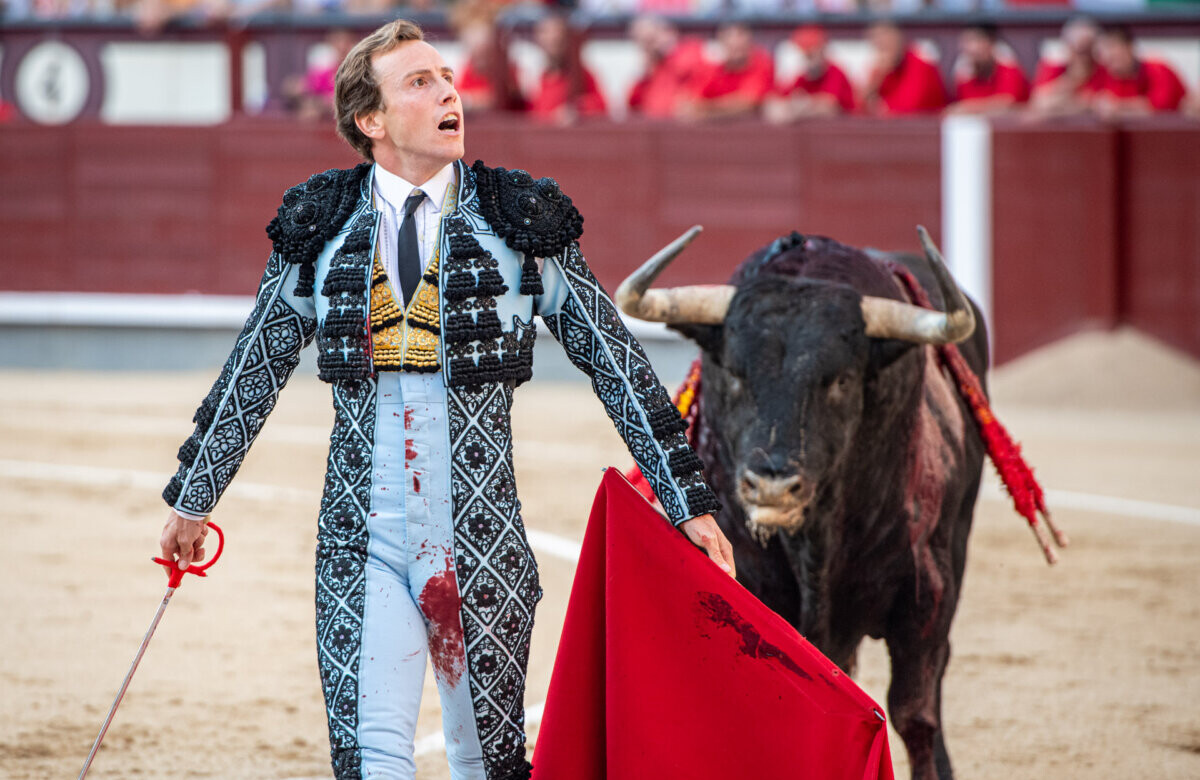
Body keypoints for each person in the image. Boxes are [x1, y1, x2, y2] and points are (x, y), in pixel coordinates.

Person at [156, 18, 734, 780]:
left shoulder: (521, 221)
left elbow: (615, 362)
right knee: (369, 761)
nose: (448, 93)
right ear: (372, 119)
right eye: (419, 82)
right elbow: (253, 368)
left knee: (487, 764)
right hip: (359, 540)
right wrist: (193, 497)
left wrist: (686, 499)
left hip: (483, 542)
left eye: (448, 78)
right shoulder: (319, 226)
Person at [679, 21, 776, 121]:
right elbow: (688, 105)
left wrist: (705, 112)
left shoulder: (761, 62)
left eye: (740, 46)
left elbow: (747, 103)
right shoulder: (712, 68)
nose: (736, 44)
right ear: (721, 44)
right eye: (732, 46)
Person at [528, 12, 608, 123]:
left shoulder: (581, 74)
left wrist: (578, 109)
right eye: (545, 34)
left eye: (558, 36)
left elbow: (601, 105)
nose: (552, 38)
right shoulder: (540, 77)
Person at [764, 25, 855, 122]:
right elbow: (775, 100)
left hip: (851, 130)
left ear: (823, 50)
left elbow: (828, 106)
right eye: (805, 54)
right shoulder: (804, 77)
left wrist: (801, 106)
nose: (808, 58)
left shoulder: (835, 72)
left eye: (811, 53)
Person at [1091, 25, 1187, 117]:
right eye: (1102, 50)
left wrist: (1118, 107)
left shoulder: (1158, 70)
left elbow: (1160, 108)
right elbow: (1085, 100)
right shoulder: (1104, 75)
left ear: (1129, 46)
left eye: (1111, 46)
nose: (1108, 55)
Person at [626, 15, 706, 119]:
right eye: (642, 43)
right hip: (656, 127)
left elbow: (688, 67)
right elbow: (633, 104)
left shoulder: (689, 49)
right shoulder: (652, 70)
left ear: (668, 32)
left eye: (650, 40)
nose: (648, 48)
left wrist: (668, 51)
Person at [860, 20, 947, 115]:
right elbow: (861, 108)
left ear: (897, 37)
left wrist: (883, 109)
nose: (882, 46)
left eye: (885, 39)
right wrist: (876, 80)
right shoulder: (881, 71)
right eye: (876, 42)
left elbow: (912, 108)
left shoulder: (921, 63)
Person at [1030, 16, 1108, 117]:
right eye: (1079, 50)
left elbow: (1109, 105)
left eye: (1088, 48)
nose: (1084, 56)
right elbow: (1039, 104)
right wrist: (1072, 80)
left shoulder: (1105, 70)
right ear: (1067, 46)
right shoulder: (1053, 67)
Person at [947, 22, 1030, 115]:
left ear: (991, 43)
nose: (971, 48)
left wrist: (967, 108)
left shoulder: (1009, 69)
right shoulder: (964, 75)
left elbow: (1006, 103)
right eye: (966, 42)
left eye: (976, 40)